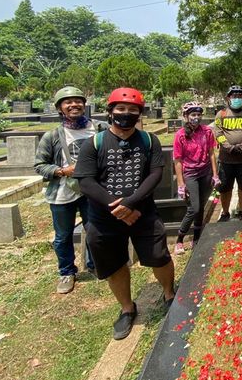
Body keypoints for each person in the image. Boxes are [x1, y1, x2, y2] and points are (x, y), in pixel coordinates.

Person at [74, 87, 175, 340]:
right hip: (104, 218)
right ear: (110, 112)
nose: (126, 114)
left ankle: (169, 293)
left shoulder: (149, 141)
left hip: (143, 212)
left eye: (133, 110)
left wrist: (131, 203)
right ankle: (127, 308)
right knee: (114, 264)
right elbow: (86, 181)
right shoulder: (93, 144)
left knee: (159, 255)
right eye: (121, 109)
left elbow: (155, 174)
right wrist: (117, 208)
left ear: (140, 114)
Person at [34, 86, 107, 294]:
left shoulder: (99, 128)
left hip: (91, 190)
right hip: (63, 192)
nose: (74, 105)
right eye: (68, 102)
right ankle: (67, 272)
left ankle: (95, 265)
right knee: (63, 235)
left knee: (94, 229)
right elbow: (40, 165)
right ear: (60, 108)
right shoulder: (53, 136)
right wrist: (62, 170)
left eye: (78, 101)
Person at [173, 102, 220, 254]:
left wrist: (215, 174)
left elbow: (212, 153)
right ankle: (179, 239)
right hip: (190, 174)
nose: (196, 117)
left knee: (201, 206)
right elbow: (178, 161)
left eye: (199, 114)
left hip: (205, 172)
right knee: (194, 208)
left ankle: (197, 238)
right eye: (193, 115)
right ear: (186, 116)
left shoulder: (207, 131)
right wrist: (181, 184)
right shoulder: (180, 135)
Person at [213, 85, 242, 221]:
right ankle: (225, 213)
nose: (237, 98)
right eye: (234, 96)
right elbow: (218, 132)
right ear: (228, 98)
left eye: (240, 96)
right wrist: (229, 147)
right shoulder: (221, 114)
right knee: (225, 188)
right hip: (226, 159)